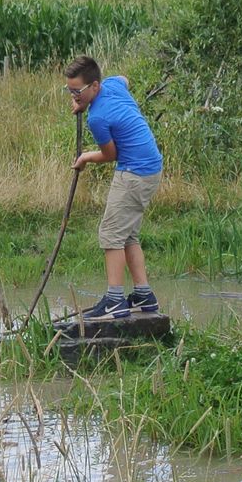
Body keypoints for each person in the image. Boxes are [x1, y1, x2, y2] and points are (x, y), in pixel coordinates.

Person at [65, 55, 162, 321]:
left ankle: (114, 301)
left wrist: (85, 157)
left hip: (134, 172)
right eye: (69, 90)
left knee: (110, 235)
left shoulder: (97, 117)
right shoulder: (113, 85)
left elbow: (110, 154)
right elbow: (124, 79)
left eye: (77, 91)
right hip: (151, 168)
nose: (73, 96)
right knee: (128, 234)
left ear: (95, 85)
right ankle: (144, 295)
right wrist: (83, 101)